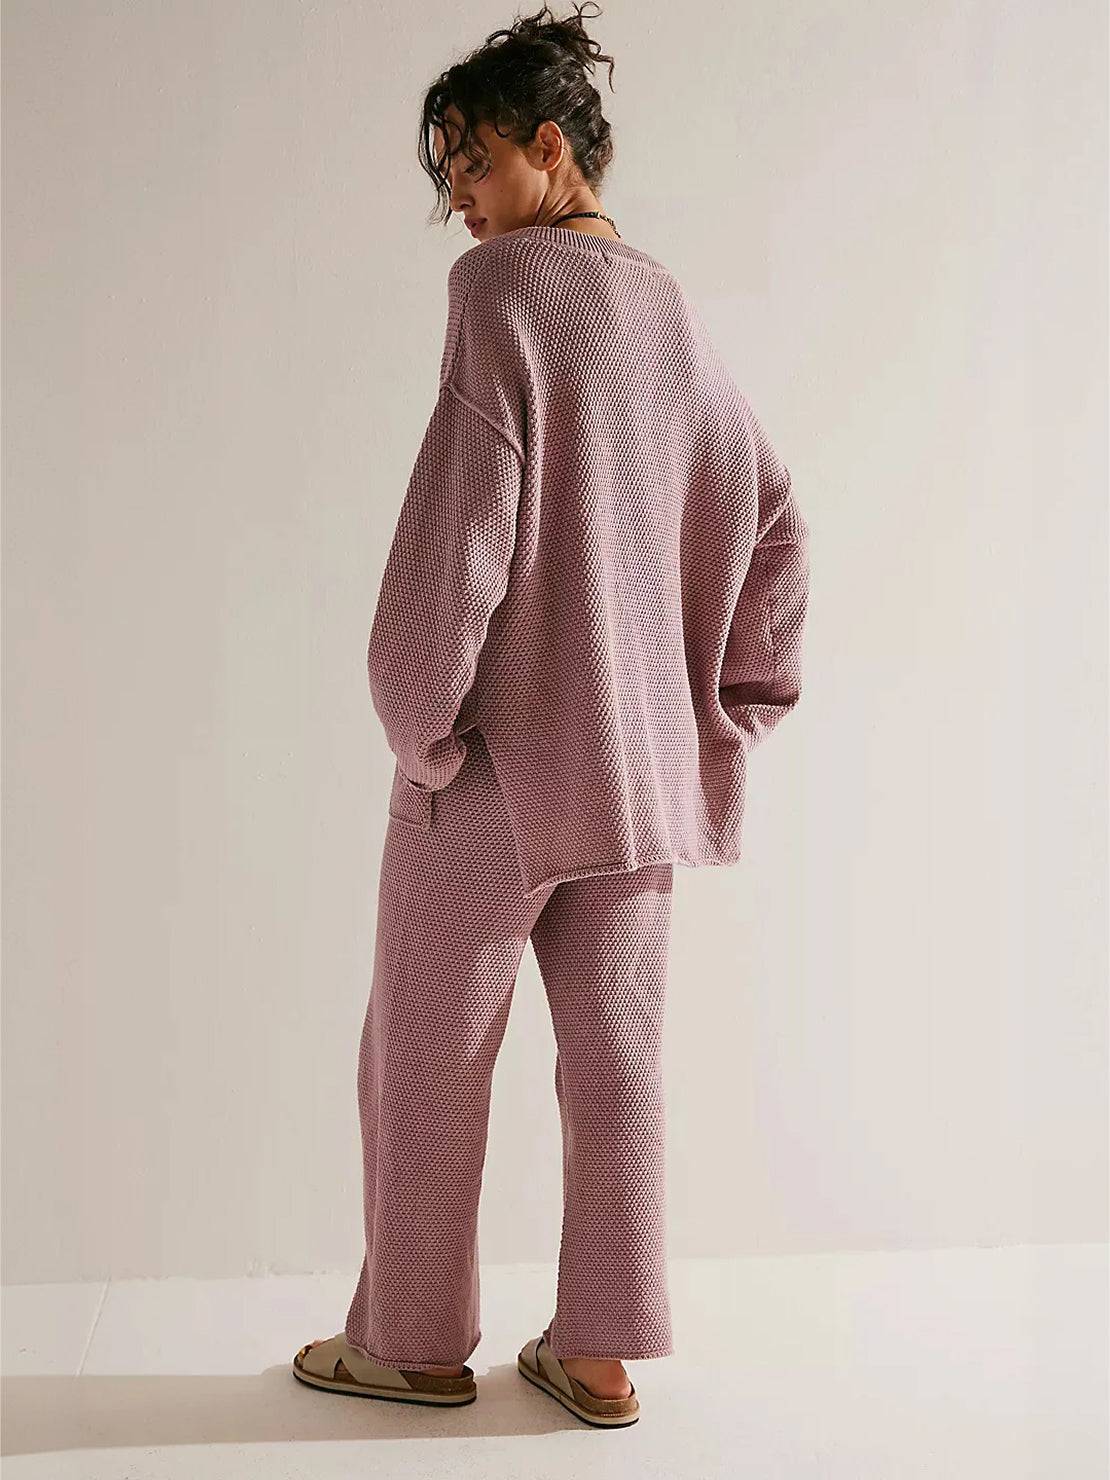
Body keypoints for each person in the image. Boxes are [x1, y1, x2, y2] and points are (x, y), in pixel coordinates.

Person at [292, 1, 810, 1429]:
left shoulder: (501, 294)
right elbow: (772, 512)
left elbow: (460, 524)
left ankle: (410, 1345)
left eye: (472, 162)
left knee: (425, 1055)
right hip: (635, 777)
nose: (458, 198)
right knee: (618, 1066)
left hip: (499, 770)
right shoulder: (668, 309)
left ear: (549, 146)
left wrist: (420, 720)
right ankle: (599, 1352)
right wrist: (729, 710)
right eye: (447, 173)